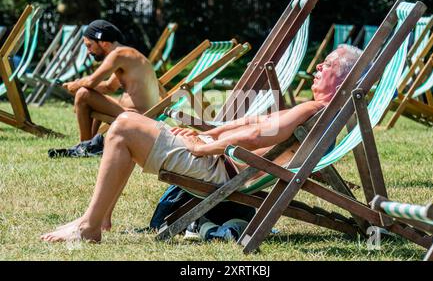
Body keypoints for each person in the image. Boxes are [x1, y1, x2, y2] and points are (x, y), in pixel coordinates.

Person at [41, 44, 363, 243]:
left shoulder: (313, 111)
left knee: (124, 126)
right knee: (129, 126)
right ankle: (98, 217)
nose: (319, 66)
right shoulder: (319, 115)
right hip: (221, 162)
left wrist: (204, 146)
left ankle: (90, 225)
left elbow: (255, 137)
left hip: (219, 169)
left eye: (329, 64)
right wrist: (209, 132)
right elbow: (253, 124)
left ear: (345, 80)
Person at [63, 20, 160, 142]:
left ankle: (84, 146)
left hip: (138, 116)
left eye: (89, 45)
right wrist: (79, 86)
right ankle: (91, 144)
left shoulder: (117, 55)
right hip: (145, 114)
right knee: (90, 94)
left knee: (83, 94)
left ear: (103, 42)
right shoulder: (128, 53)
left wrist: (76, 85)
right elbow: (109, 87)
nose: (88, 52)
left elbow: (91, 82)